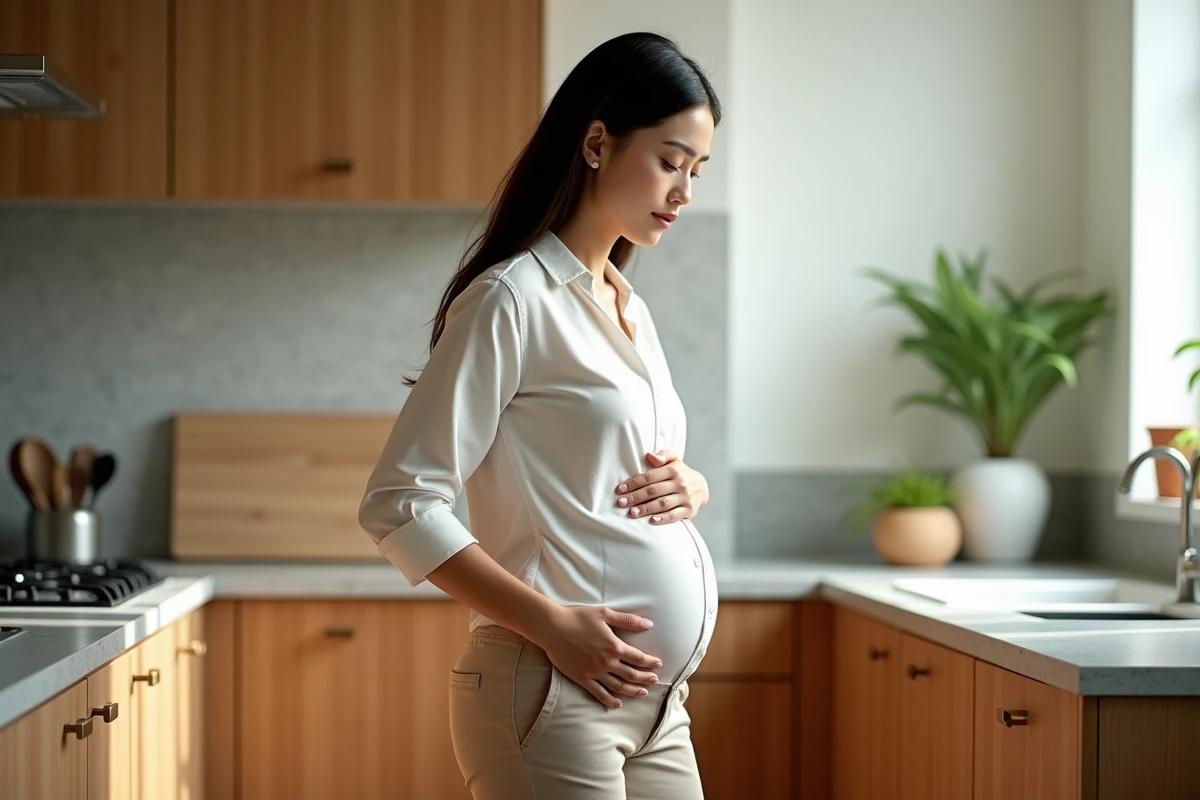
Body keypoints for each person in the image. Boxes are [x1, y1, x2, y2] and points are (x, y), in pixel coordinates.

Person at [358, 31, 722, 800]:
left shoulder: (627, 306)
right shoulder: (510, 299)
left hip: (657, 708)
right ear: (597, 142)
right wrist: (553, 626)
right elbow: (399, 504)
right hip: (549, 692)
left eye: (696, 169)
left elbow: (602, 465)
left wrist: (692, 486)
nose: (685, 192)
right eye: (668, 160)